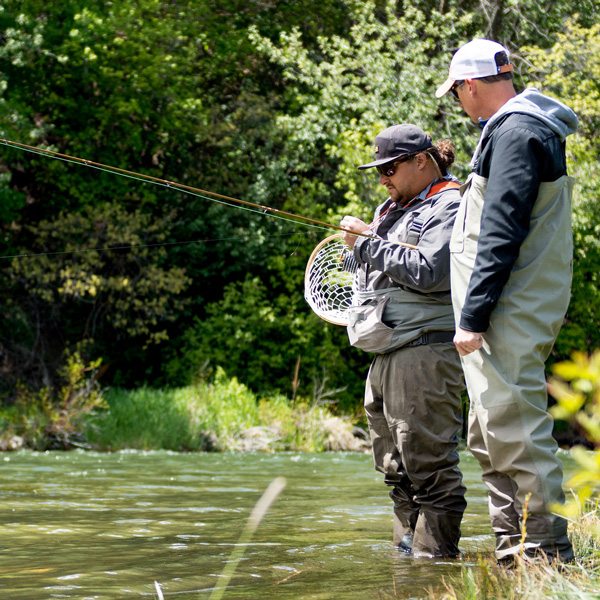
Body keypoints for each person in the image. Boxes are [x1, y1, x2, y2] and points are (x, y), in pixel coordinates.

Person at [435, 39, 578, 563]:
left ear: (470, 86)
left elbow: (501, 232)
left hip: (506, 312)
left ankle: (544, 553)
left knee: (515, 427)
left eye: (456, 94)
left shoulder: (517, 133)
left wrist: (472, 318)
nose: (458, 103)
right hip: (507, 310)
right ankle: (511, 550)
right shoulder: (518, 128)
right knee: (488, 429)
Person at [340, 123, 466, 558]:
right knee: (396, 471)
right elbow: (368, 264)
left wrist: (368, 244)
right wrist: (356, 245)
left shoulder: (449, 204)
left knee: (430, 469)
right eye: (378, 171)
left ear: (421, 161)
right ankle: (405, 566)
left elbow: (431, 271)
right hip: (386, 352)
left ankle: (435, 570)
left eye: (390, 168)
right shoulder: (392, 207)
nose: (383, 178)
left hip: (427, 350)